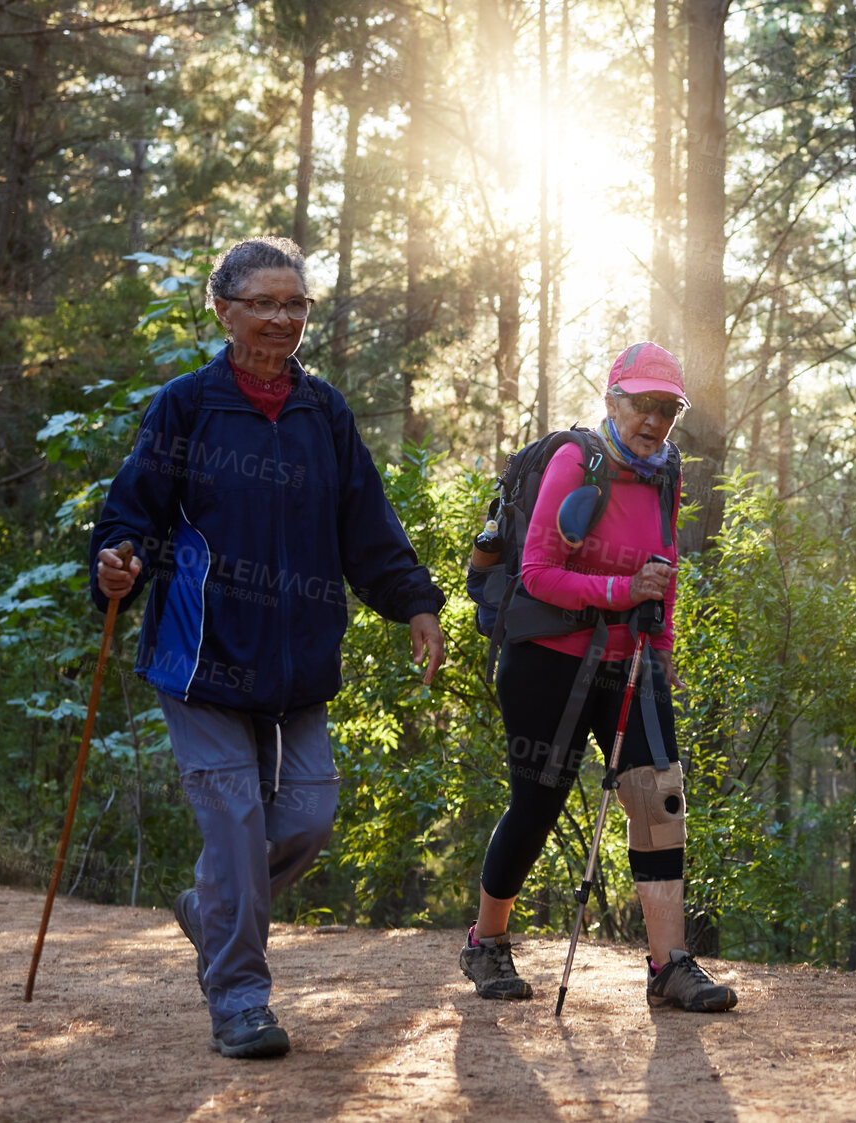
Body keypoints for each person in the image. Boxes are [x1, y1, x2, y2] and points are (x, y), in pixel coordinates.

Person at [88, 236, 447, 1058]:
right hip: (203, 658)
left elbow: (367, 527)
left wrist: (416, 603)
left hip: (297, 663)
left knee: (309, 819)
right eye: (265, 303)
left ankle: (211, 905)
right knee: (238, 822)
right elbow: (131, 513)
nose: (283, 320)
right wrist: (118, 565)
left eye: (296, 305)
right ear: (223, 309)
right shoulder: (186, 406)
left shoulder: (324, 413)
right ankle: (240, 998)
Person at [458, 341, 738, 1013]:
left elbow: (662, 571)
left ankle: (668, 965)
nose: (653, 420)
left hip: (632, 660)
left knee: (658, 802)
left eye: (666, 409)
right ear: (612, 401)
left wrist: (662, 648)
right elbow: (537, 574)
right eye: (641, 404)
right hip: (546, 657)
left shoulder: (665, 474)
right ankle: (486, 941)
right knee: (537, 804)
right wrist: (620, 589)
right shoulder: (572, 461)